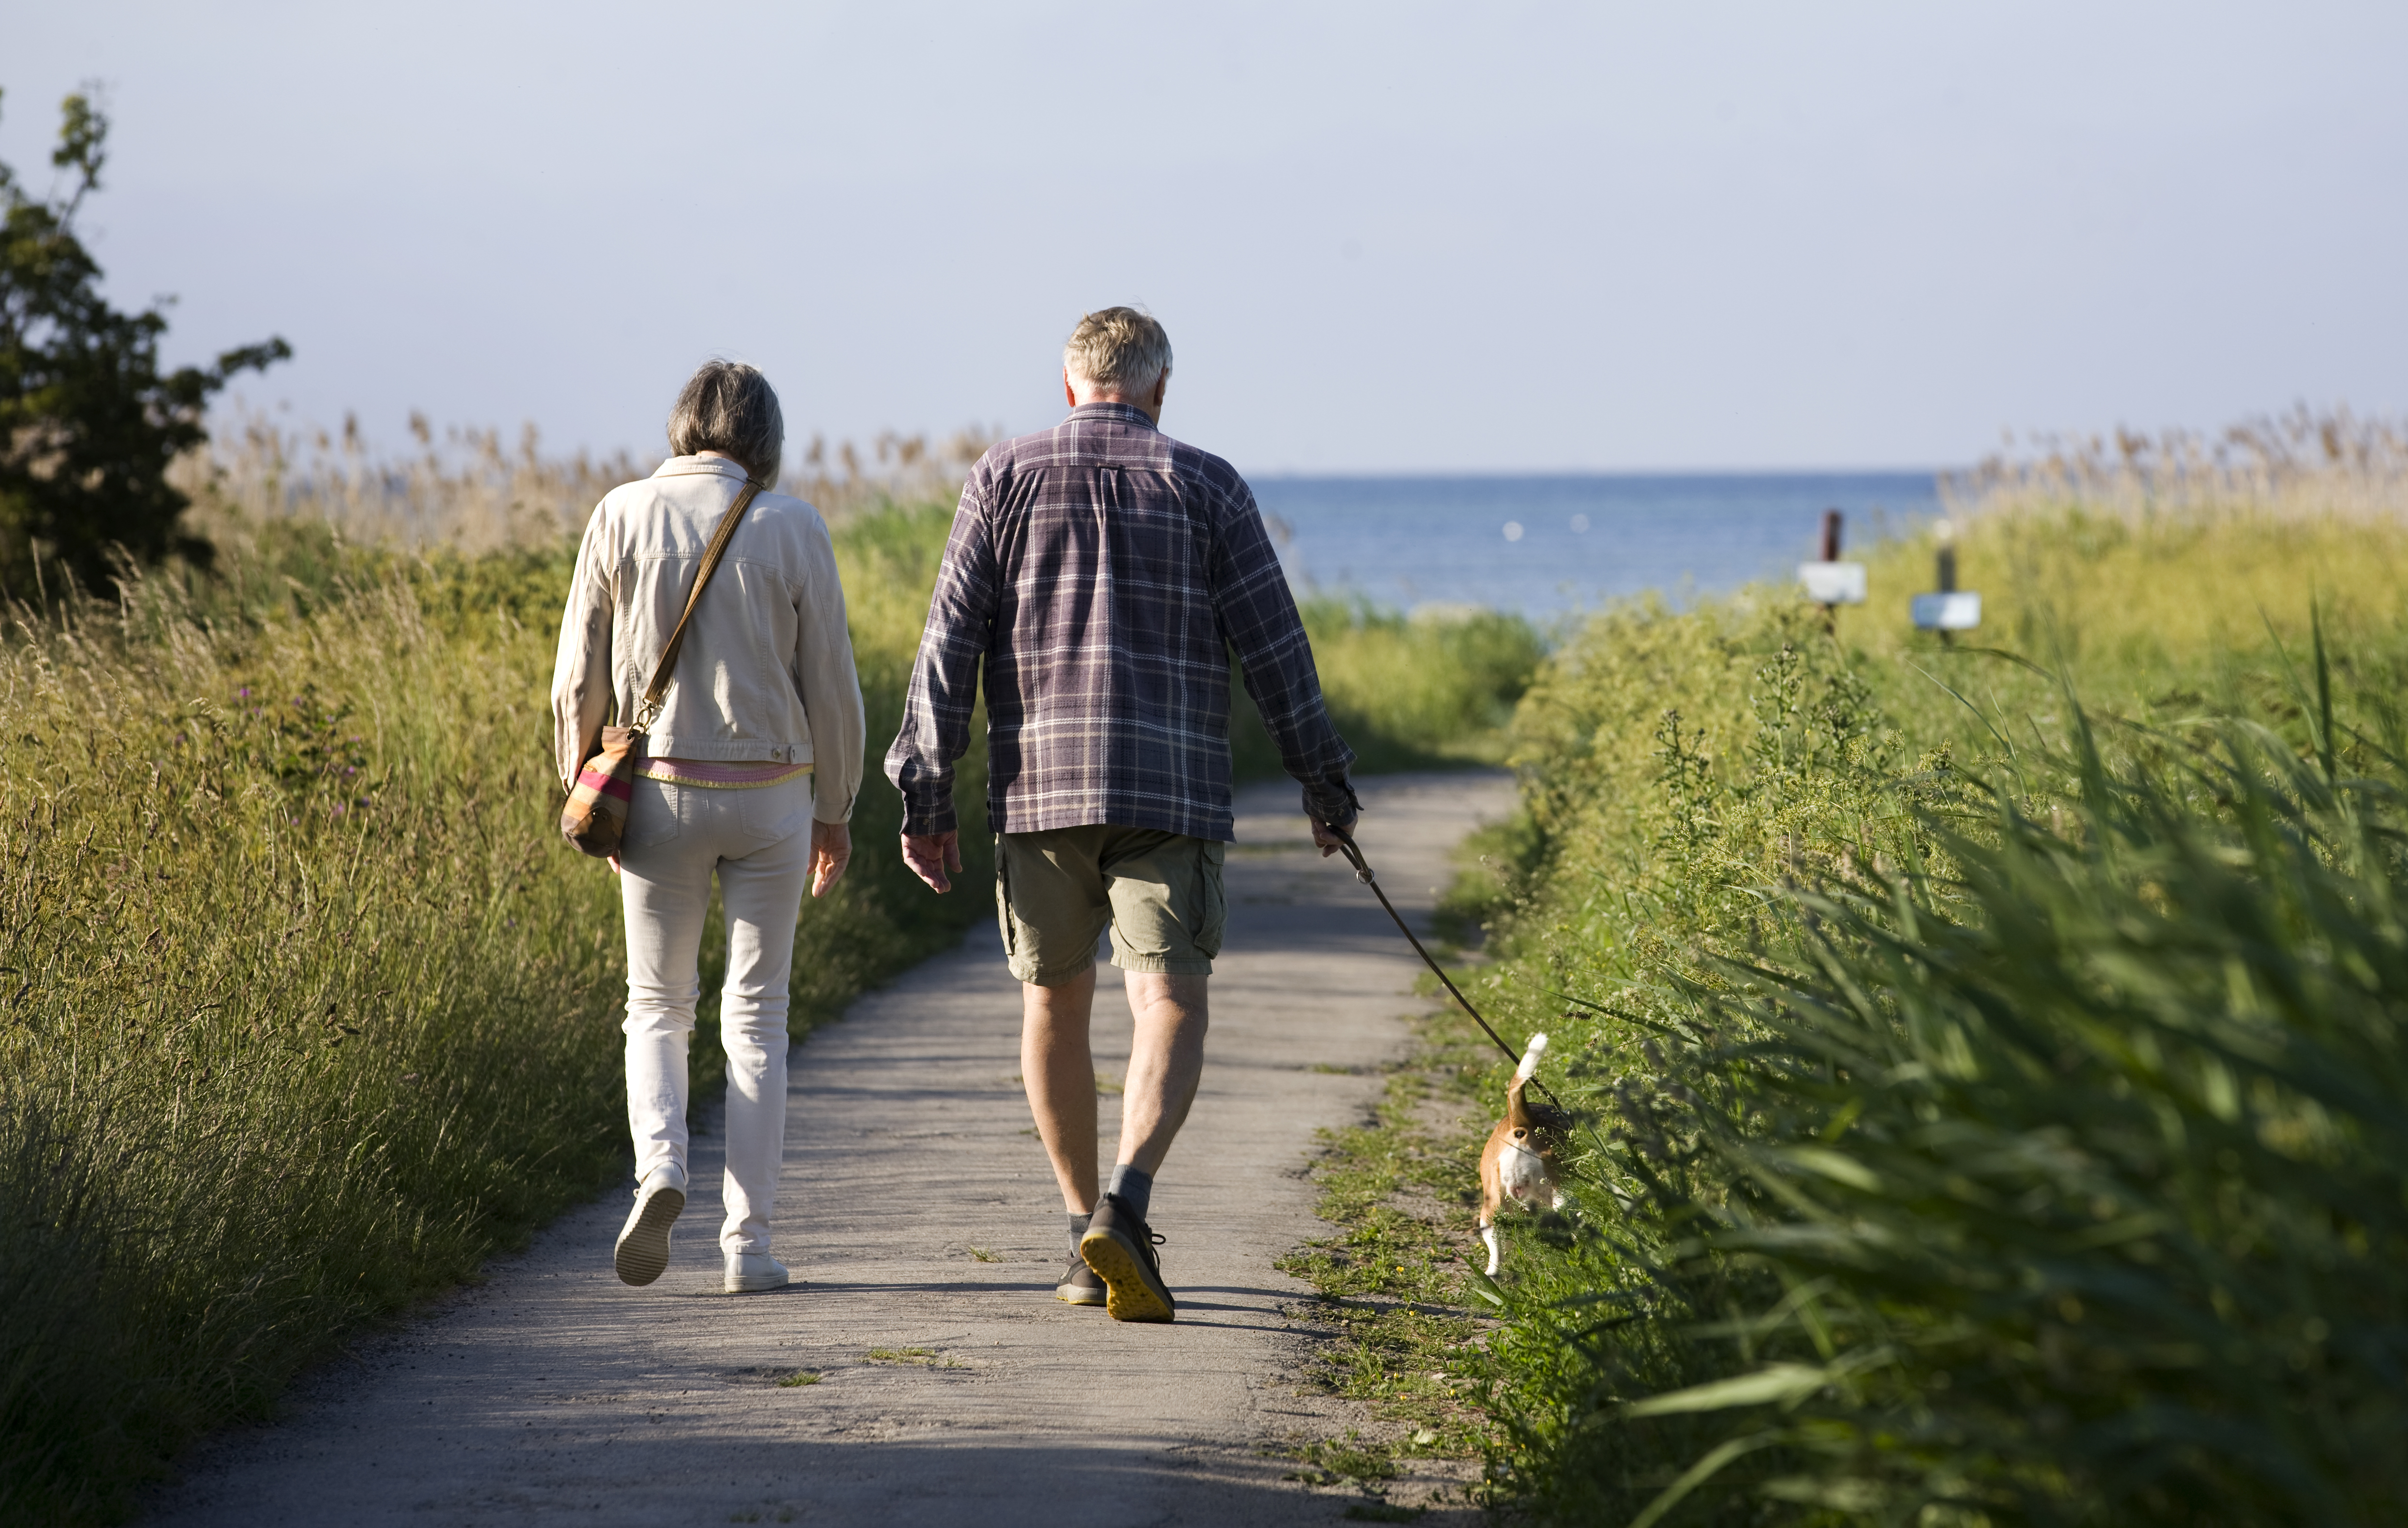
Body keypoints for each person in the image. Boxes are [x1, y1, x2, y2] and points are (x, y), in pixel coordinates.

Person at [885, 308, 1359, 1323]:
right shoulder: (1207, 482)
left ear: (1069, 386)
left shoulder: (1001, 478)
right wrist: (1324, 782)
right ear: (1160, 387)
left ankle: (1078, 1232)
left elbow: (947, 647)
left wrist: (927, 791)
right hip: (1169, 787)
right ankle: (1127, 1204)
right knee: (1170, 1001)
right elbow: (1276, 648)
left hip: (1040, 789)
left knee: (1052, 1007)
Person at [551, 360, 865, 1295]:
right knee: (757, 1018)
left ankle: (661, 1171)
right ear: (764, 437)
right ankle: (750, 1248)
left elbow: (578, 680)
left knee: (657, 1004)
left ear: (683, 426)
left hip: (656, 794)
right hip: (773, 797)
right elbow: (835, 690)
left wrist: (587, 793)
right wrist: (837, 811)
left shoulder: (620, 513)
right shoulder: (795, 524)